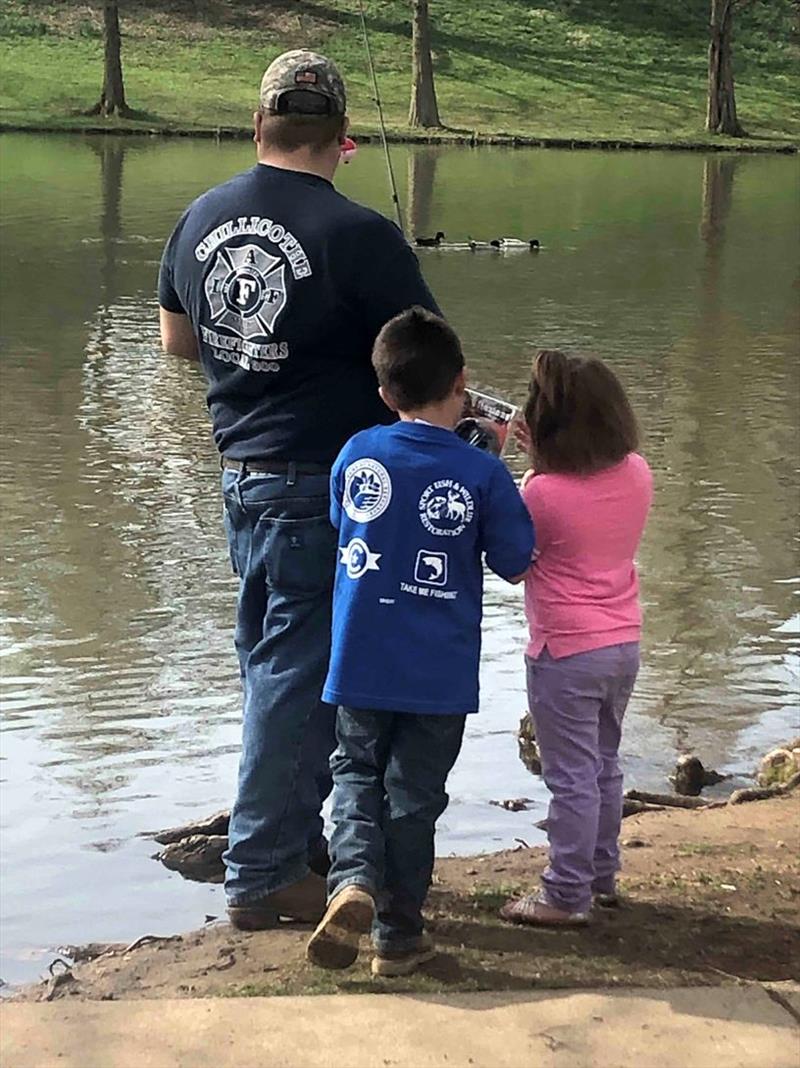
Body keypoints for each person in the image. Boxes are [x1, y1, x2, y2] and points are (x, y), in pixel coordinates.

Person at [157, 50, 440, 929]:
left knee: (273, 669)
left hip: (240, 479)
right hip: (324, 489)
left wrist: (258, 356)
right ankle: (265, 870)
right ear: (342, 140)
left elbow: (176, 342)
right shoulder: (362, 237)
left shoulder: (199, 218)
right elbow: (422, 367)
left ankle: (291, 842)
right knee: (295, 672)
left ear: (258, 126)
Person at [304, 307, 535, 976]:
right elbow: (516, 563)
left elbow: (341, 527)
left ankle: (350, 879)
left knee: (354, 772)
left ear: (384, 394)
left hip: (359, 657)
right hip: (438, 673)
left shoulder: (355, 453)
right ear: (462, 382)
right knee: (413, 797)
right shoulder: (482, 472)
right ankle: (398, 937)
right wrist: (491, 462)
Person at [500, 349, 653, 927]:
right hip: (622, 644)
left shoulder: (539, 493)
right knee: (604, 766)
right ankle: (601, 875)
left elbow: (514, 564)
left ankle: (565, 894)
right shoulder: (637, 471)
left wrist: (526, 469)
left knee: (569, 778)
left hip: (564, 650)